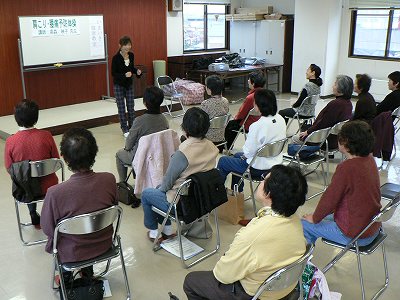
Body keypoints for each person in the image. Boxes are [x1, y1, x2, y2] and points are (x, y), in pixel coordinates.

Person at [183, 165, 308, 300]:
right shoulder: (295, 220)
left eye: (263, 180)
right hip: (285, 290)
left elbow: (222, 275)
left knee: (191, 282)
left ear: (268, 194)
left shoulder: (255, 234)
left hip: (258, 294)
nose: (260, 183)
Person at [41, 128, 118, 277]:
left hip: (72, 252)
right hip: (104, 244)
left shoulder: (55, 193)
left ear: (65, 158)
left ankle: (65, 276)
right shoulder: (109, 179)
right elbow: (113, 210)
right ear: (94, 152)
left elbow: (48, 229)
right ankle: (87, 270)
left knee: (58, 236)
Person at [141, 107, 218, 242]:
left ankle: (155, 232)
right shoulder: (212, 147)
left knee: (147, 194)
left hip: (182, 205)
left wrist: (160, 189)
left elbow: (167, 183)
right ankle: (167, 230)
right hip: (204, 199)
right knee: (158, 189)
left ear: (185, 128)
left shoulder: (182, 153)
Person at [302, 120, 381, 246]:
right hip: (372, 227)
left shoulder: (347, 167)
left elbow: (330, 198)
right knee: (317, 218)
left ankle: (304, 263)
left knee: (304, 224)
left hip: (355, 234)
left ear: (345, 142)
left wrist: (315, 217)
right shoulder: (370, 160)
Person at [4, 99, 59, 228]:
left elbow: (9, 168)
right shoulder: (46, 135)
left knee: (25, 179)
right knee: (34, 179)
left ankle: (32, 212)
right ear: (36, 117)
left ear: (16, 118)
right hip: (48, 186)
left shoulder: (11, 141)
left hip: (25, 189)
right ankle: (49, 215)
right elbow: (56, 161)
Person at [218, 89, 286, 192]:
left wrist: (245, 155)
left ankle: (218, 192)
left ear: (258, 106)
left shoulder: (257, 125)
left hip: (258, 169)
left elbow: (248, 152)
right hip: (275, 164)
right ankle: (236, 192)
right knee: (237, 156)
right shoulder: (280, 119)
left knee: (223, 161)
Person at [115, 86, 169, 183]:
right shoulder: (164, 119)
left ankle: (122, 184)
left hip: (140, 156)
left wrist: (127, 149)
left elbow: (128, 144)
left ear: (145, 103)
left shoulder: (139, 121)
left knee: (119, 154)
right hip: (158, 155)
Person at [292, 75, 353, 149]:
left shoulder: (335, 104)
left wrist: (308, 132)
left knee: (294, 138)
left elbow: (323, 124)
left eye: (335, 84)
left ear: (341, 88)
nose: (332, 86)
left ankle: (302, 156)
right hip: (337, 139)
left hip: (324, 140)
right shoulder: (348, 103)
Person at [224, 71, 266, 150]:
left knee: (230, 125)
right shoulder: (267, 94)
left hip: (250, 124)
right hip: (262, 121)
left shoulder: (251, 97)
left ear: (253, 84)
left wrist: (235, 117)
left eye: (249, 79)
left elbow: (241, 114)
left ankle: (227, 147)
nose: (247, 81)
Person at [112, 35, 142, 137]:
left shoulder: (131, 55)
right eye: (125, 45)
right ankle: (124, 129)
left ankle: (132, 127)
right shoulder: (115, 58)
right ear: (120, 45)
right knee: (121, 108)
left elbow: (131, 68)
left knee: (131, 107)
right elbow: (113, 73)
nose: (127, 47)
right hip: (118, 85)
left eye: (129, 45)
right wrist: (124, 75)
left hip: (129, 84)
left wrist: (137, 71)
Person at [200, 75, 229, 152]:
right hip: (220, 136)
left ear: (209, 90)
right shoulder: (225, 101)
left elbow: (202, 122)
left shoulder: (205, 104)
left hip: (207, 137)